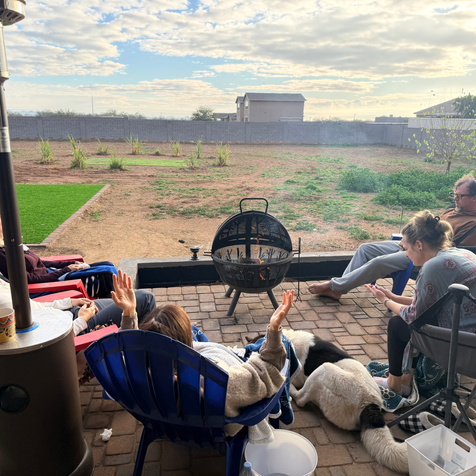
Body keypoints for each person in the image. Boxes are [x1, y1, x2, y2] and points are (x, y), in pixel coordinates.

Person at [110, 270, 294, 431]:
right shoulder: (218, 379)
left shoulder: (138, 372)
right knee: (279, 342)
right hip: (213, 417)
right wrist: (274, 328)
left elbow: (129, 353)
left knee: (195, 331)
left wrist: (129, 313)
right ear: (185, 344)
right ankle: (283, 408)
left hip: (175, 419)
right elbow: (266, 371)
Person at [309, 174, 476, 300]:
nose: (455, 198)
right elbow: (427, 229)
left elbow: (453, 251)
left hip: (426, 253)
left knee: (378, 262)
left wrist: (412, 245)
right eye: (454, 194)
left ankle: (335, 286)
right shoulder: (452, 210)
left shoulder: (473, 224)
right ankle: (338, 289)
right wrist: (406, 241)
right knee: (365, 248)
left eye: (460, 196)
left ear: (474, 198)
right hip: (414, 244)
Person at [365, 210, 476, 395]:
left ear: (418, 245)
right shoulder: (460, 254)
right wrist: (394, 297)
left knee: (398, 325)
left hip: (466, 347)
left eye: (406, 248)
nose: (406, 255)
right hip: (469, 337)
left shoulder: (433, 266)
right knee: (420, 321)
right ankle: (406, 380)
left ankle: (395, 384)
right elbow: (433, 304)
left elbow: (413, 315)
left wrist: (385, 301)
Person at [0, 271, 156, 336]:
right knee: (145, 298)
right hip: (73, 328)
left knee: (120, 301)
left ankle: (139, 347)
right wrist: (82, 320)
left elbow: (35, 307)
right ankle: (142, 358)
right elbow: (39, 339)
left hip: (68, 314)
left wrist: (69, 301)